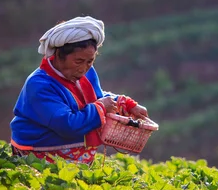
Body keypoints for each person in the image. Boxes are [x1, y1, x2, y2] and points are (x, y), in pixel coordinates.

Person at [10, 16, 148, 164]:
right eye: (78, 61)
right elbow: (68, 125)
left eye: (90, 61)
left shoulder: (87, 72)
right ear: (58, 55)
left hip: (73, 152)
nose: (84, 68)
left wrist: (125, 104)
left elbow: (96, 98)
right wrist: (101, 107)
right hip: (38, 152)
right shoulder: (39, 85)